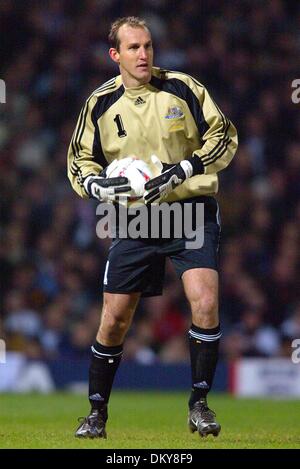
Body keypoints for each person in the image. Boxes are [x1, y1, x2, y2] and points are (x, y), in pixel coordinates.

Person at [67, 16, 238, 439]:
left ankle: (199, 404)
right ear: (115, 55)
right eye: (133, 48)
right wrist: (94, 183)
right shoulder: (100, 104)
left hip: (189, 209)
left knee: (204, 301)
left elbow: (224, 135)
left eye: (147, 46)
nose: (143, 54)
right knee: (114, 320)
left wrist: (186, 167)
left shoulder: (183, 88)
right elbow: (78, 161)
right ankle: (96, 414)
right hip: (136, 217)